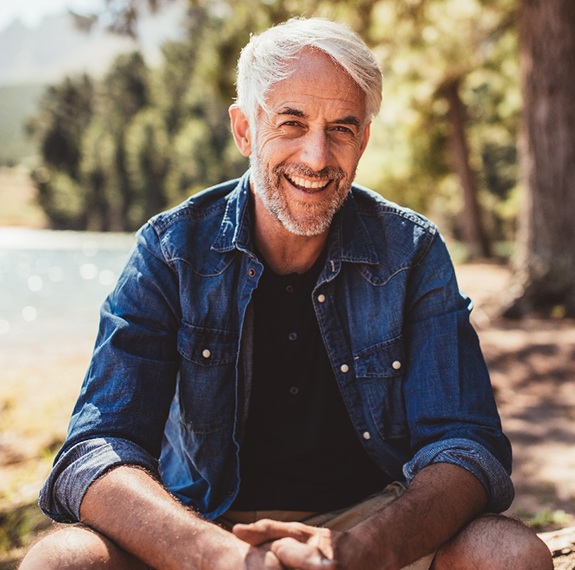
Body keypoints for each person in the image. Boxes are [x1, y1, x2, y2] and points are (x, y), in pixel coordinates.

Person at [21, 16, 552, 570]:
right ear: (245, 129)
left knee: (507, 554)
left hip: (374, 525)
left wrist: (355, 552)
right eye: (291, 123)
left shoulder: (412, 252)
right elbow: (97, 448)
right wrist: (221, 557)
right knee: (63, 560)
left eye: (342, 128)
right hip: (202, 526)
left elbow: (466, 447)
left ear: (364, 139)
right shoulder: (170, 251)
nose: (317, 157)